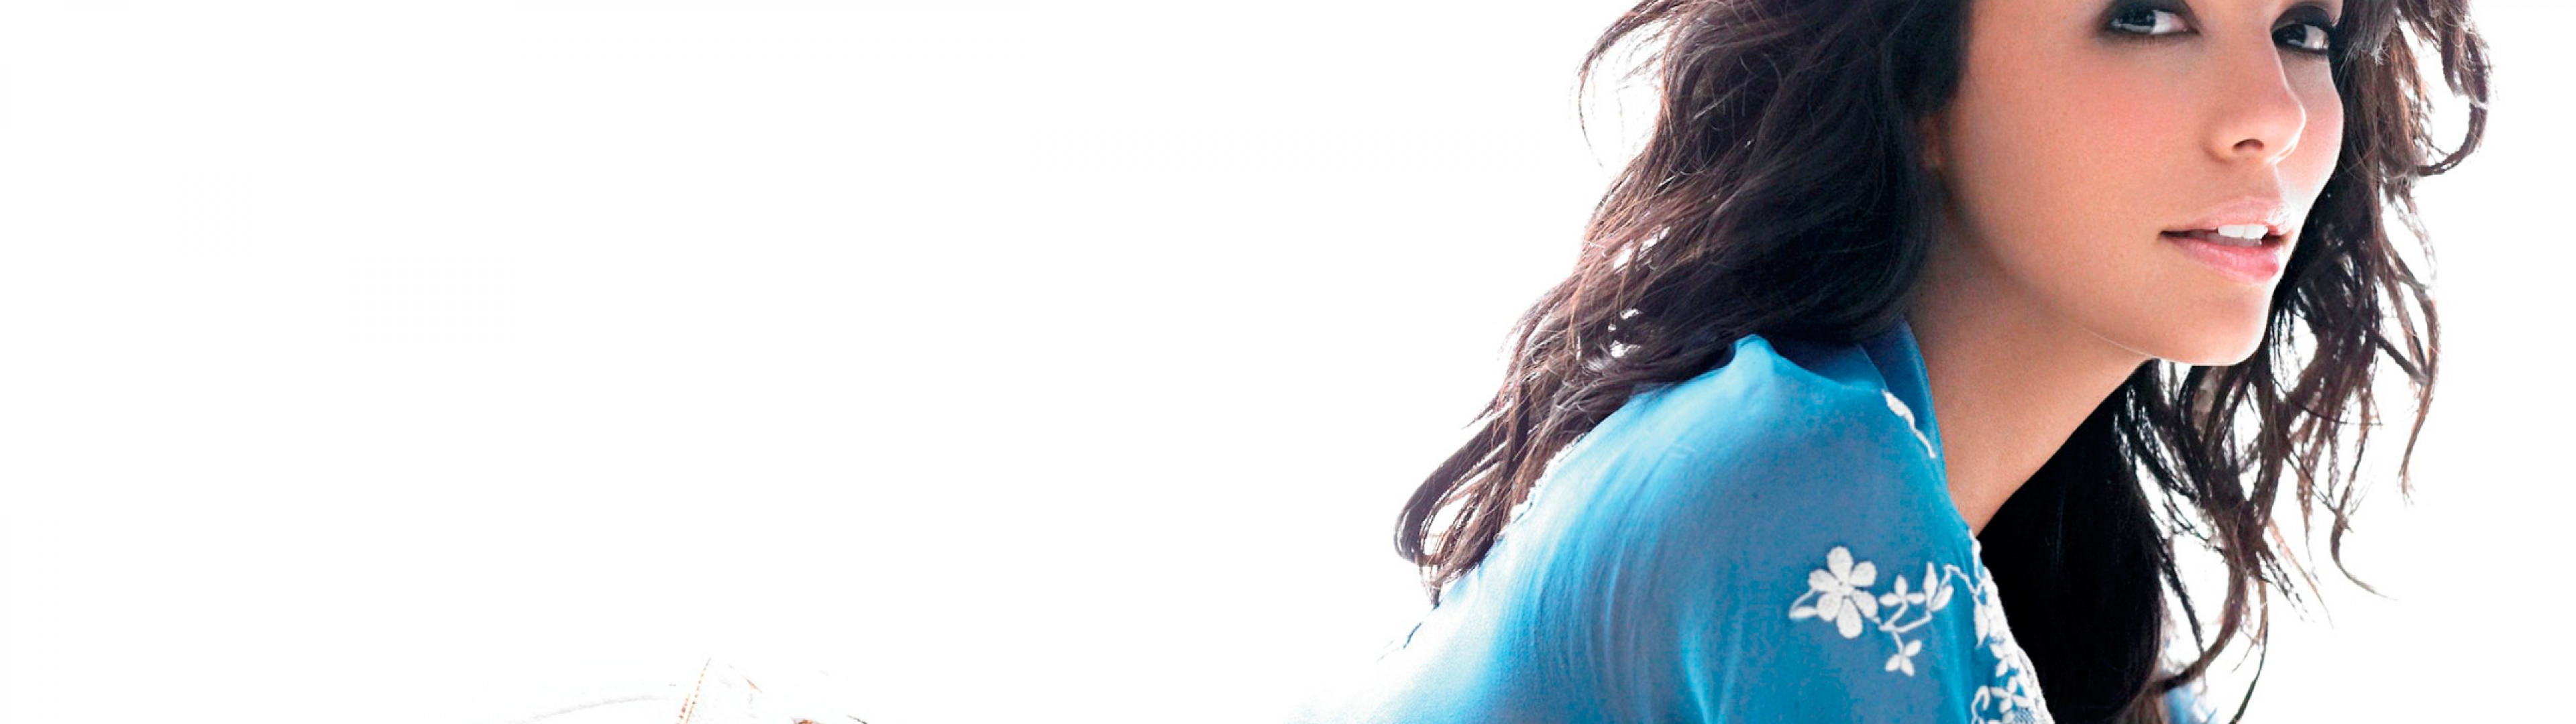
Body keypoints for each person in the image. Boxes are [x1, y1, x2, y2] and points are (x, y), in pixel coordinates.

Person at [1294, 0, 2489, 722]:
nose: (2274, 112)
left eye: (2301, 31)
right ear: (1920, 84)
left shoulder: (2051, 584)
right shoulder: (1797, 483)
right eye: (2143, 17)